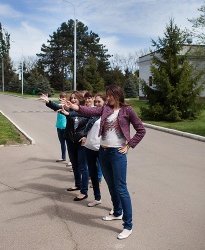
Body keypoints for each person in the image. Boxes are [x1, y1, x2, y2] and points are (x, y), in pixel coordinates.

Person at [64, 85, 146, 240]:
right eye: (107, 95)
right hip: (103, 151)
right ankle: (116, 212)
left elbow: (141, 129)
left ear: (118, 95)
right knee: (110, 184)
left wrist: (129, 145)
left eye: (111, 95)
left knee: (121, 188)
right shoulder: (106, 109)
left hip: (117, 153)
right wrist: (74, 106)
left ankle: (128, 225)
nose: (108, 98)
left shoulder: (127, 110)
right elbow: (90, 111)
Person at [40, 91, 89, 201]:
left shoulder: (85, 111)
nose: (73, 100)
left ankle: (84, 191)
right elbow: (57, 107)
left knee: (82, 167)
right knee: (75, 165)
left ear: (80, 99)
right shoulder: (69, 109)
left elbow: (90, 126)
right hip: (70, 140)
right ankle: (78, 184)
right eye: (71, 98)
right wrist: (48, 102)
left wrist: (85, 136)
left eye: (75, 98)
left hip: (81, 142)